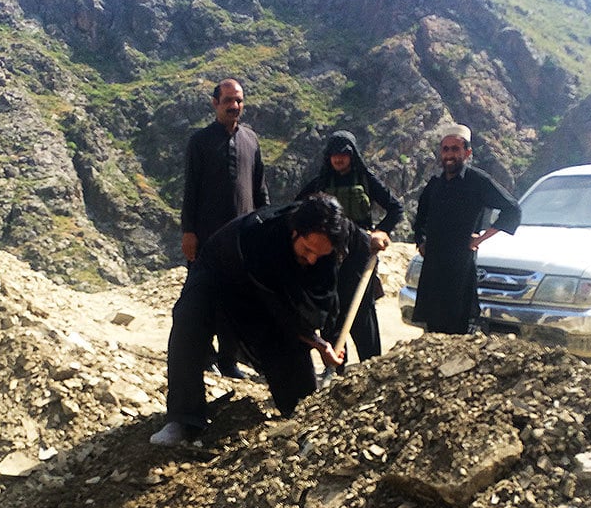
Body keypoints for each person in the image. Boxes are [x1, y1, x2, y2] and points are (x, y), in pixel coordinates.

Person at [150, 194, 389, 447]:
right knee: (190, 318)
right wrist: (319, 344)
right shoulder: (262, 236)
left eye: (319, 255)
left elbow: (356, 246)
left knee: (302, 403)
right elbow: (282, 313)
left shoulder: (332, 235)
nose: (311, 260)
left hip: (271, 291)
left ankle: (299, 414)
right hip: (221, 272)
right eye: (307, 250)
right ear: (295, 232)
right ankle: (183, 419)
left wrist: (373, 238)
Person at [181, 77, 269, 378]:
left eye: (239, 100)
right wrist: (189, 232)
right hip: (206, 238)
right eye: (228, 100)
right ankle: (202, 357)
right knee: (202, 297)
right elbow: (190, 190)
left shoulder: (251, 140)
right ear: (215, 103)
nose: (234, 105)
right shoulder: (201, 141)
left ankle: (229, 361)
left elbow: (260, 191)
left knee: (235, 299)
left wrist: (263, 229)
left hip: (242, 239)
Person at [296, 130, 403, 362]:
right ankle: (334, 365)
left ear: (352, 155)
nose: (338, 159)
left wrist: (380, 231)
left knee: (362, 308)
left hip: (361, 251)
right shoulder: (321, 182)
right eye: (334, 154)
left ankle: (370, 363)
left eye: (343, 154)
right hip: (328, 254)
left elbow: (395, 208)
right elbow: (297, 208)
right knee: (331, 308)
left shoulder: (365, 179)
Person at [413, 124, 521, 334]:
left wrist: (480, 239)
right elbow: (420, 218)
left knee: (459, 326)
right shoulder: (435, 184)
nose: (450, 154)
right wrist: (421, 241)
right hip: (434, 266)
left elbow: (512, 209)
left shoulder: (478, 182)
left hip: (460, 266)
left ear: (467, 152)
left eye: (455, 149)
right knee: (432, 329)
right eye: (446, 149)